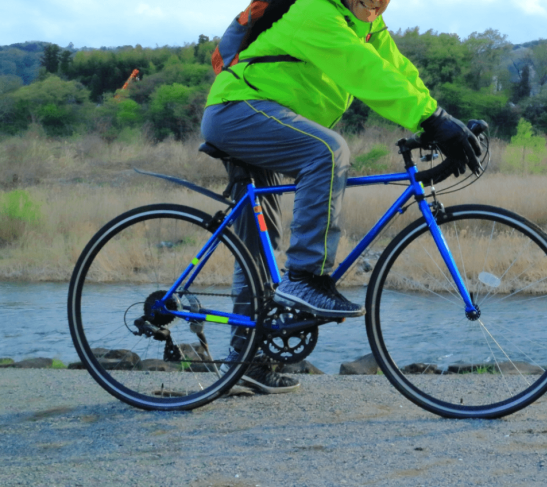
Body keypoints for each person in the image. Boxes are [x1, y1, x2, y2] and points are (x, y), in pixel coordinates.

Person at [201, 0, 482, 393]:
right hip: (238, 111)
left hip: (266, 116)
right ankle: (304, 278)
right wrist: (431, 121)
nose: (379, 4)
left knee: (256, 248)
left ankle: (245, 361)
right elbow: (362, 71)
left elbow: (397, 73)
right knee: (327, 151)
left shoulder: (370, 25)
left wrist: (441, 118)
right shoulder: (316, 12)